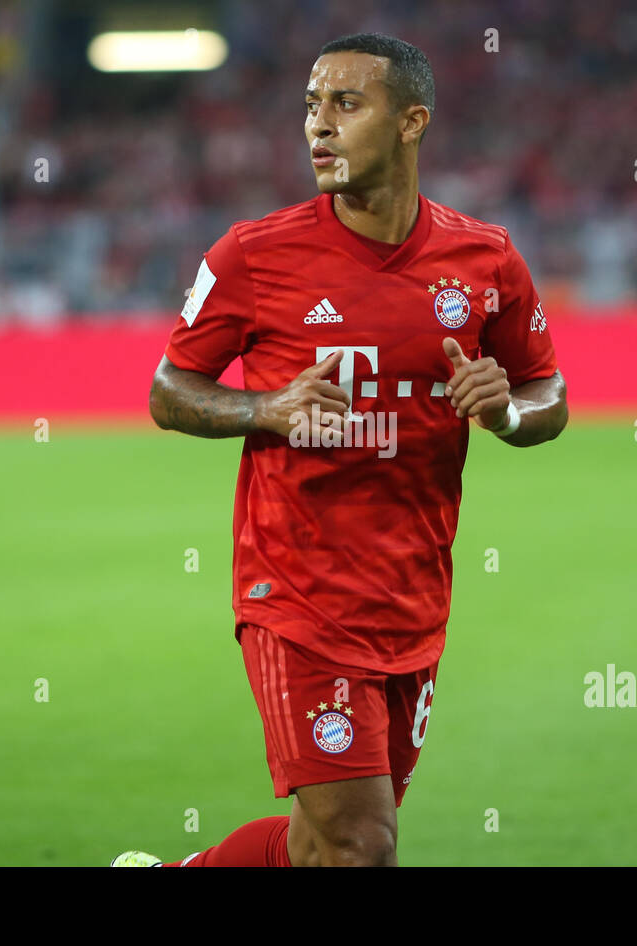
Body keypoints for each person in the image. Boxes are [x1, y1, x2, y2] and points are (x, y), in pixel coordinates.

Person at [114, 32, 567, 868]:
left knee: (323, 848)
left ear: (411, 122)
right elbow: (168, 391)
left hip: (413, 602)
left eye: (346, 105)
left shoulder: (485, 260)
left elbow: (550, 393)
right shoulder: (255, 253)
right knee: (363, 846)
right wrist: (267, 407)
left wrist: (503, 414)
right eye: (311, 106)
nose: (318, 126)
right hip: (298, 598)